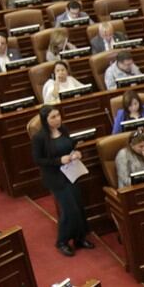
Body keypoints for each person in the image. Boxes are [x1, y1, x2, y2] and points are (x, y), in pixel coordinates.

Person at [31, 106, 93, 256]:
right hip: (55, 177)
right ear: (45, 121)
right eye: (53, 117)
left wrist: (76, 153)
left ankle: (79, 238)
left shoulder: (63, 129)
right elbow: (38, 160)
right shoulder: (39, 138)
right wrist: (59, 160)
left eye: (58, 115)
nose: (57, 119)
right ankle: (62, 241)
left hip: (71, 173)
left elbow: (70, 146)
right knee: (69, 209)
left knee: (78, 206)